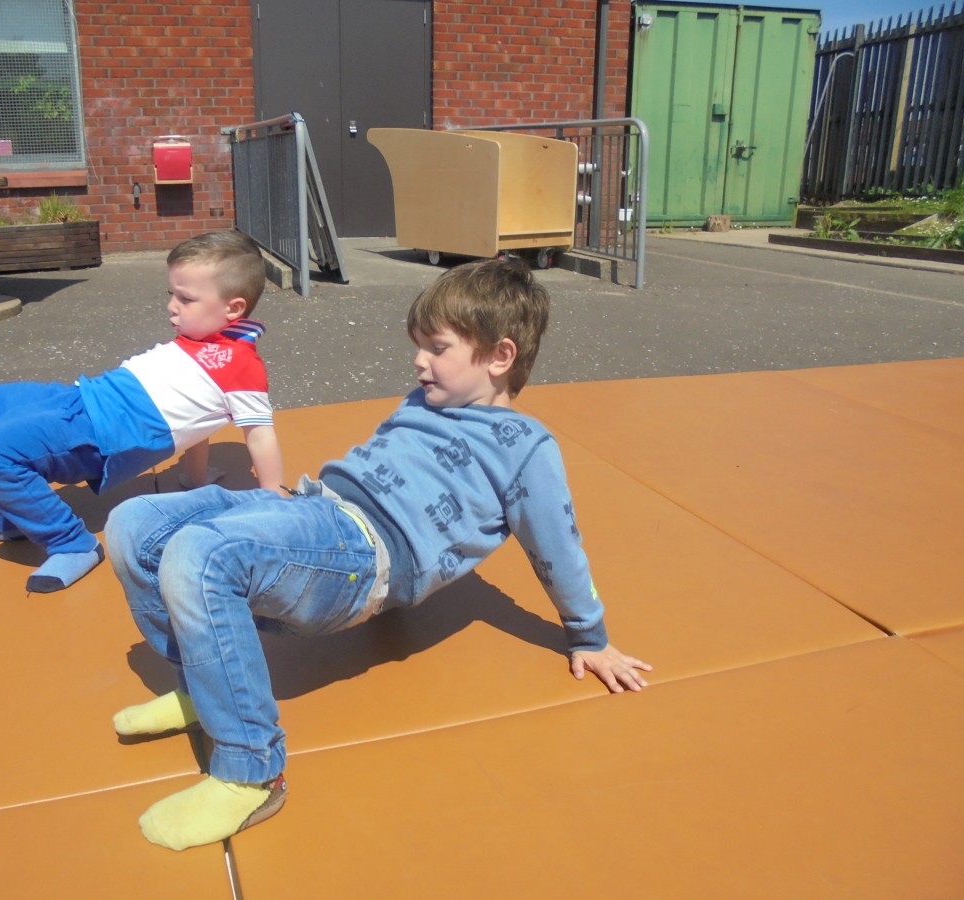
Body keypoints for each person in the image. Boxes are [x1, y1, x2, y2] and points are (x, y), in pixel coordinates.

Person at [105, 257, 652, 851]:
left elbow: (558, 546)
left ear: (500, 356)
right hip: (318, 509)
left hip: (364, 553)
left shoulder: (523, 446)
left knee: (201, 555)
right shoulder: (423, 401)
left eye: (437, 348)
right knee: (134, 523)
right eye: (419, 345)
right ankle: (203, 688)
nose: (419, 360)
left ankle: (252, 774)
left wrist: (589, 635)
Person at [0, 230, 282, 593]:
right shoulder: (199, 338)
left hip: (103, 433)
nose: (172, 306)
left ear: (233, 308)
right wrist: (195, 476)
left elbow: (259, 434)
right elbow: (200, 421)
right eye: (171, 294)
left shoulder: (243, 366)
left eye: (186, 298)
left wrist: (274, 502)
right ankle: (6, 516)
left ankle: (72, 544)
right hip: (78, 397)